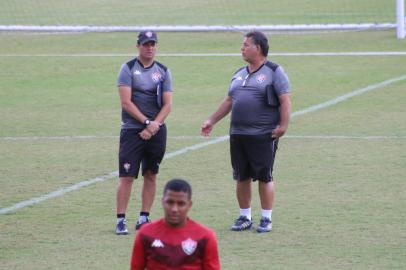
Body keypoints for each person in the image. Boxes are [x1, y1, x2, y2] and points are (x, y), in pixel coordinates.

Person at [201, 31, 291, 233]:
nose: (242, 48)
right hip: (238, 134)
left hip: (263, 134)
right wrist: (212, 120)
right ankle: (245, 216)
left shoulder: (274, 71)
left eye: (245, 45)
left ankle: (266, 218)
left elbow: (285, 100)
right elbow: (229, 100)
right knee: (241, 176)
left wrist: (283, 126)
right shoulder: (239, 73)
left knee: (264, 176)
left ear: (257, 48)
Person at [115, 30, 173, 235]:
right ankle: (121, 220)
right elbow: (126, 102)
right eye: (146, 44)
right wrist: (147, 122)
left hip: (156, 131)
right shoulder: (128, 68)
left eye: (153, 44)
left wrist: (154, 125)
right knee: (127, 176)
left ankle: (144, 217)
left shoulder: (164, 71)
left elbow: (167, 105)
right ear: (138, 46)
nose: (150, 48)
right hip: (132, 130)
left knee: (151, 174)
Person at [131, 179, 221, 270]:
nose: (174, 209)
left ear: (189, 205)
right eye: (170, 202)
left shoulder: (205, 237)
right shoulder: (145, 234)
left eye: (181, 204)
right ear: (162, 202)